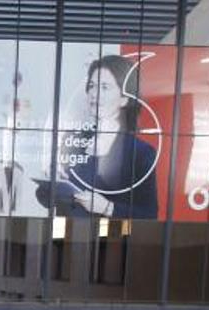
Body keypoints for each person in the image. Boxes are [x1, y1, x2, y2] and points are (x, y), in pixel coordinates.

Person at [38, 54, 159, 219]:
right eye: (92, 85)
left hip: (109, 239)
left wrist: (108, 208)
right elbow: (47, 200)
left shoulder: (141, 153)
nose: (94, 93)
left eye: (104, 87)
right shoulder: (73, 139)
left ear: (124, 99)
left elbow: (149, 214)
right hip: (66, 235)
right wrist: (52, 183)